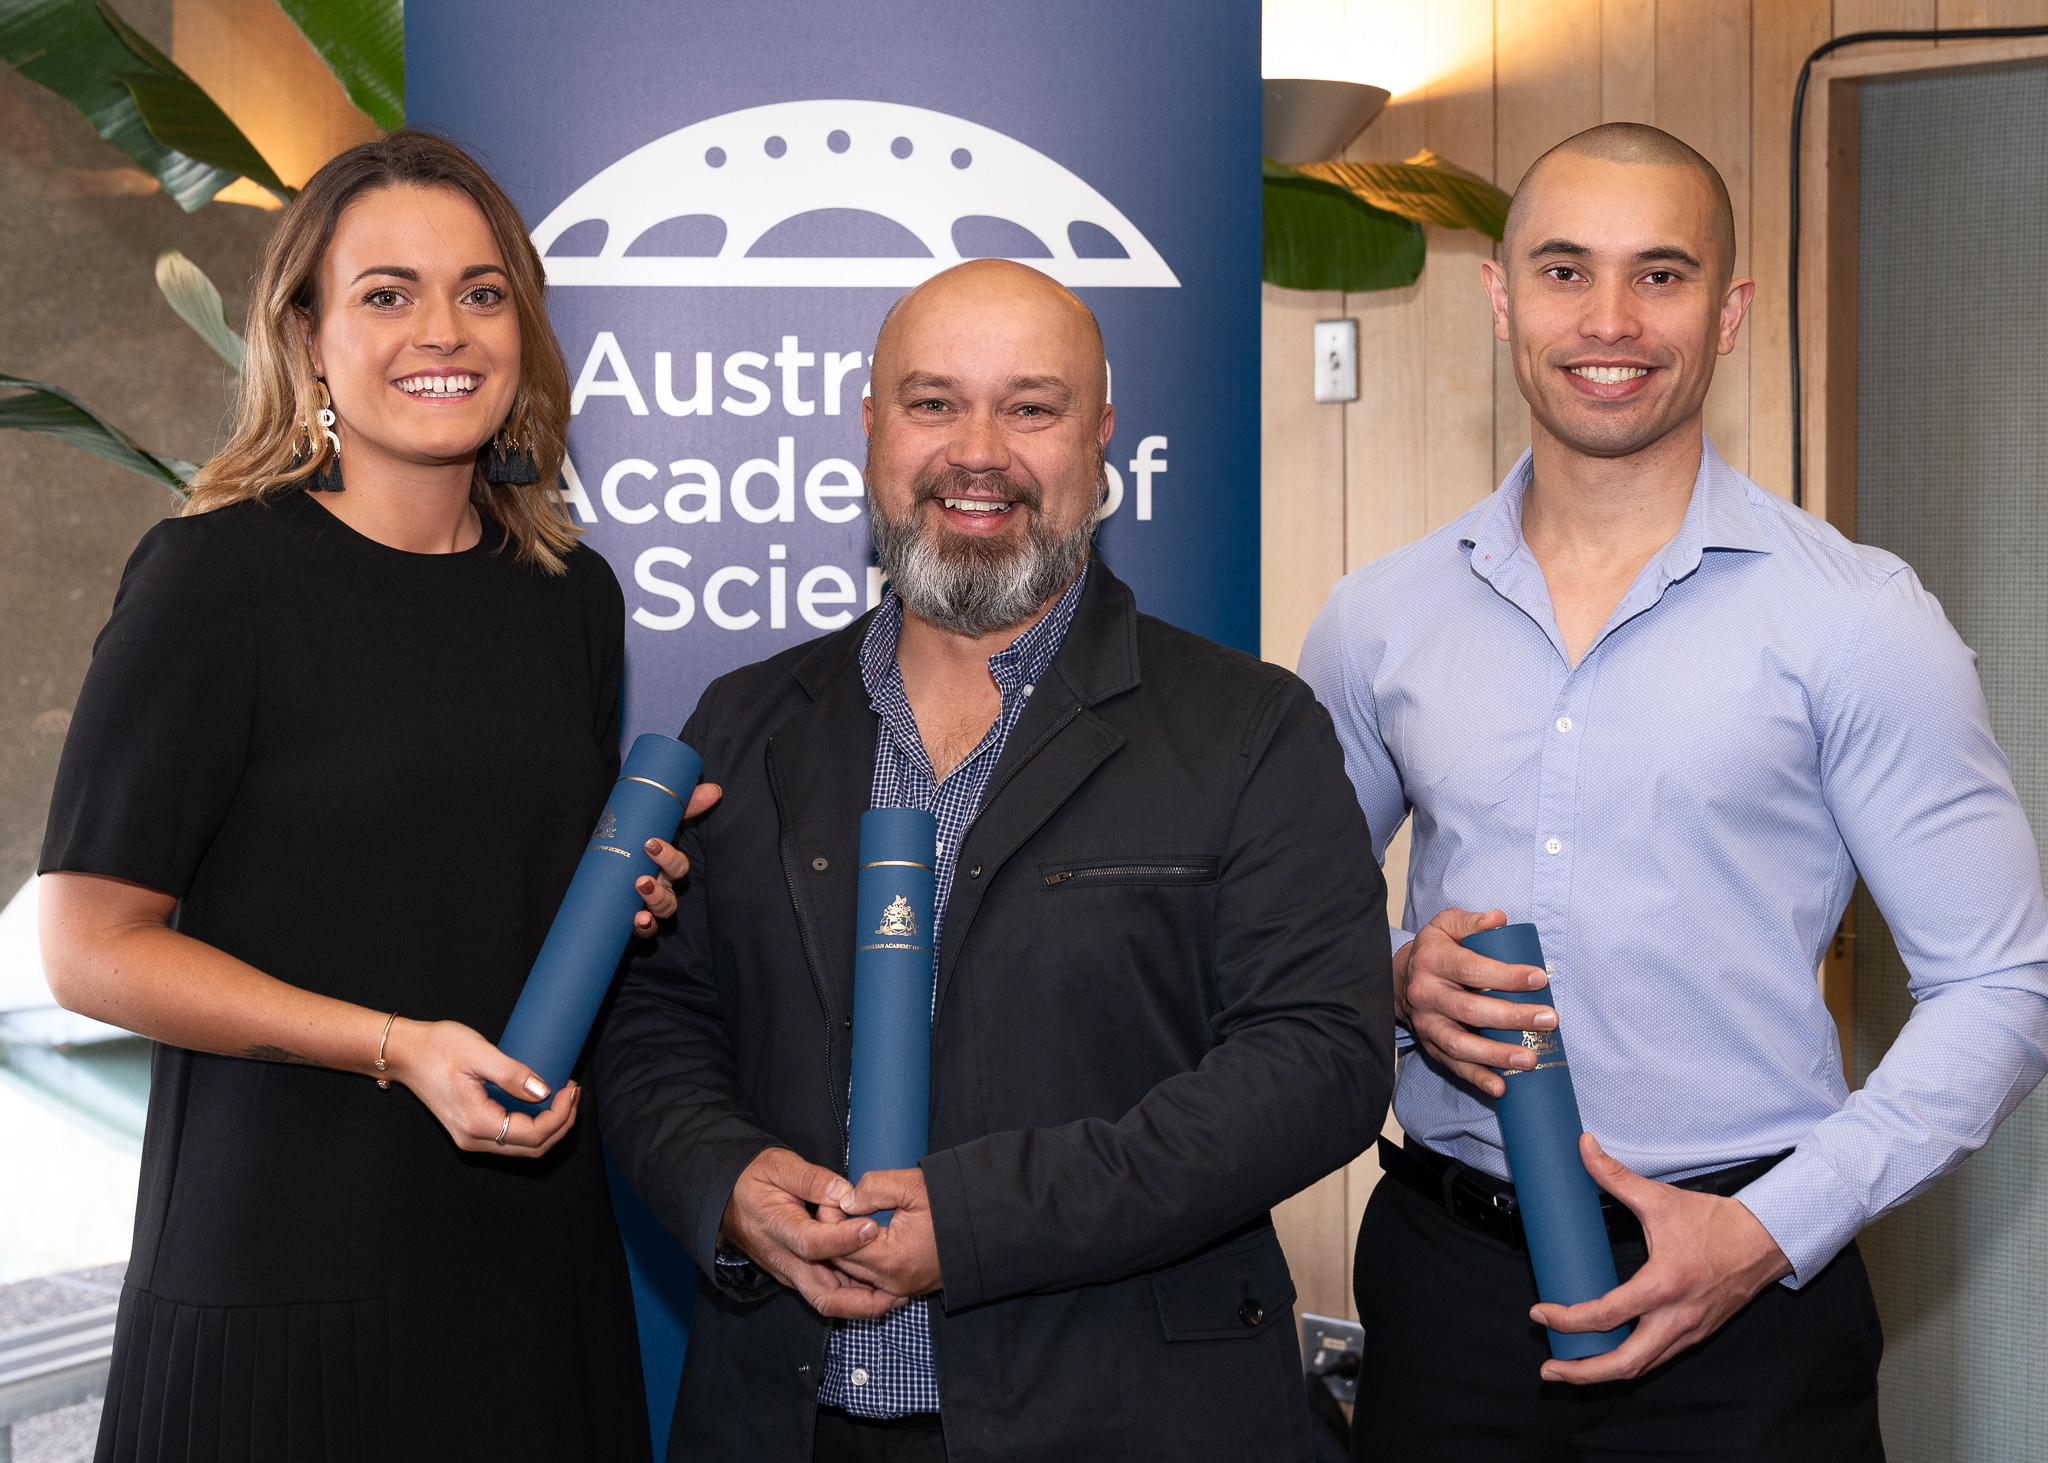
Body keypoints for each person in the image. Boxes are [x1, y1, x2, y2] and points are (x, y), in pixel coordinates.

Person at [1299, 121, 2048, 1460]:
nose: (1610, 319)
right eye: (1566, 269)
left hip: (1755, 1304)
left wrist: (1770, 1229)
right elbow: (1280, 934)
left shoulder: (1859, 620)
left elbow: (2003, 985)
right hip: (1446, 1289)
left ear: (1730, 310)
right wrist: (1395, 972)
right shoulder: (1378, 617)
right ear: (1502, 297)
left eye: (1661, 274)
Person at [597, 257, 1395, 1462]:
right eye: (931, 403)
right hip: (778, 1419)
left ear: (1100, 435)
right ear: (870, 430)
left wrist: (974, 1220)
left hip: (1122, 1421)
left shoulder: (1248, 726)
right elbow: (654, 1018)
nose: (978, 451)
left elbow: (1319, 1058)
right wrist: (725, 1176)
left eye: (1030, 406)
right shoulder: (744, 720)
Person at [38, 131, 701, 1462]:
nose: (439, 328)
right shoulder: (214, 581)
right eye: (386, 292)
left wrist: (609, 898)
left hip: (526, 1266)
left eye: (482, 289)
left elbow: (452, 878)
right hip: (284, 1272)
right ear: (308, 332)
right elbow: (89, 946)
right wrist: (395, 1042)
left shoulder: (570, 598)